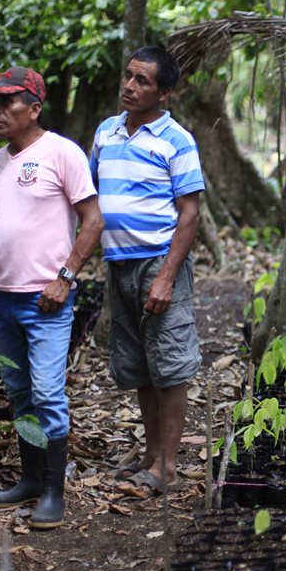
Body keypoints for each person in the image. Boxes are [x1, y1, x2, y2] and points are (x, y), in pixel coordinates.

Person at [0, 66, 104, 529]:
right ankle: (30, 480)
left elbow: (93, 220)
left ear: (33, 108)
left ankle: (53, 493)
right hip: (0, 299)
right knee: (19, 392)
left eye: (7, 102)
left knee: (48, 394)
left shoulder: (61, 153)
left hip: (46, 300)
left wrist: (65, 277)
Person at [89, 46, 204, 495]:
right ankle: (152, 457)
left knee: (170, 365)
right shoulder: (105, 132)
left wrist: (166, 276)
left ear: (165, 93)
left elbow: (189, 214)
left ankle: (169, 468)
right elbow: (95, 194)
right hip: (118, 262)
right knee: (139, 363)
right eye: (129, 77)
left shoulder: (178, 140)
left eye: (142, 81)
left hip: (158, 259)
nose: (129, 86)